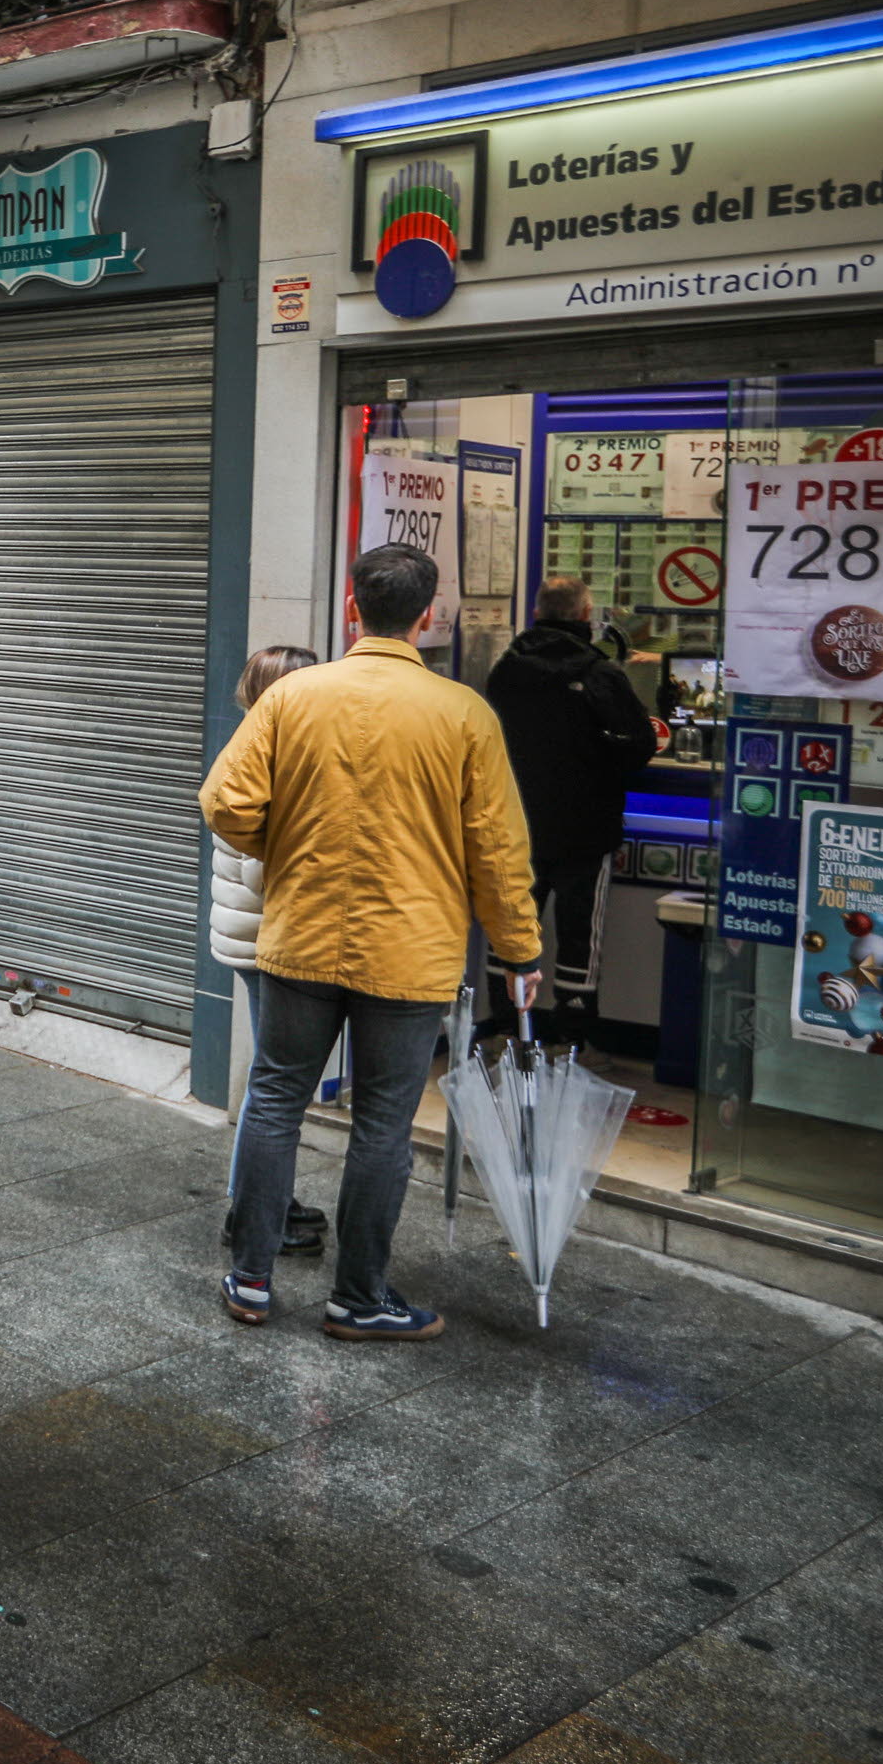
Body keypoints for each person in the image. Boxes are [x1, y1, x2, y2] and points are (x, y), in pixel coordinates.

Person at [201, 542, 540, 1342]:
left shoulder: (294, 698)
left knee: (276, 1096)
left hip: (301, 937)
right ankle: (358, 1295)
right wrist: (520, 952)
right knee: (384, 1122)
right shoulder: (464, 714)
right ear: (427, 617)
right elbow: (498, 851)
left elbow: (224, 802)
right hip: (411, 953)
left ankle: (250, 1279)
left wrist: (280, 849)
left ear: (353, 606)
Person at [481, 574, 658, 1050]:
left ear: (537, 612)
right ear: (584, 615)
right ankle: (572, 1040)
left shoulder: (505, 668)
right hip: (585, 829)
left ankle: (503, 1029)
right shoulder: (600, 672)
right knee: (580, 938)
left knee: (511, 929)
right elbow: (639, 743)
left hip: (516, 828)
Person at [212, 644, 329, 1267]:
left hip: (256, 938)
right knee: (272, 1086)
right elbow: (264, 867)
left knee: (272, 1080)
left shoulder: (253, 744)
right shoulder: (273, 758)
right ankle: (250, 1211)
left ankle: (266, 1201)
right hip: (267, 941)